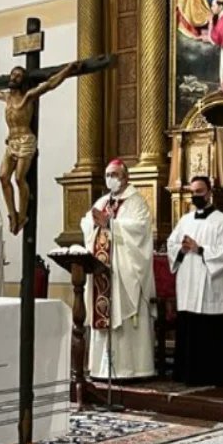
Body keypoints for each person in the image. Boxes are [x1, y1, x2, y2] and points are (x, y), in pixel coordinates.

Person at [0, 62, 79, 234]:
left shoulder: (28, 96)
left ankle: (23, 215)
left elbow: (50, 84)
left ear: (23, 80)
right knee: (3, 177)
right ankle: (12, 213)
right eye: (12, 74)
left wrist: (67, 70)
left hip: (25, 140)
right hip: (11, 141)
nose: (13, 77)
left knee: (19, 178)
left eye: (18, 76)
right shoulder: (7, 98)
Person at [81, 158, 155, 380]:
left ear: (126, 177)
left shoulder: (136, 202)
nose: (110, 179)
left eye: (114, 175)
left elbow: (141, 230)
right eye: (107, 175)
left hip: (124, 272)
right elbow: (87, 222)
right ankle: (101, 369)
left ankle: (131, 369)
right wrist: (94, 223)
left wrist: (111, 225)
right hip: (101, 269)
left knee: (124, 318)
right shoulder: (103, 201)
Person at [167, 176, 223, 386]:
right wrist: (181, 249)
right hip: (189, 280)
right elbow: (171, 243)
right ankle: (188, 373)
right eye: (193, 192)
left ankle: (214, 375)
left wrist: (200, 249)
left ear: (209, 193)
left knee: (211, 329)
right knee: (190, 327)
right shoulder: (185, 220)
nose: (195, 195)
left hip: (211, 284)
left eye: (200, 191)